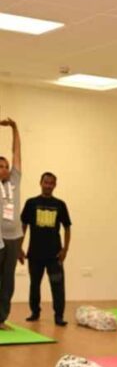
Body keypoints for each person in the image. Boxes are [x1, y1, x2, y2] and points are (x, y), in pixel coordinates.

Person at [20, 172, 72, 326]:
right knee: (34, 284)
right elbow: (23, 226)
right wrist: (19, 247)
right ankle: (35, 312)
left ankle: (59, 316)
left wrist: (65, 250)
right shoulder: (31, 203)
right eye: (46, 182)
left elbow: (67, 228)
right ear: (40, 183)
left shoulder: (60, 205)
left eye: (51, 183)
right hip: (35, 254)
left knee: (57, 286)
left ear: (55, 185)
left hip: (54, 255)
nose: (48, 186)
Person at [0, 118, 18, 330]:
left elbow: (17, 155)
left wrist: (14, 129)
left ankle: (1, 318)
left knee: (8, 280)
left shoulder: (14, 183)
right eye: (0, 166)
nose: (4, 169)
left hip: (12, 239)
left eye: (6, 167)